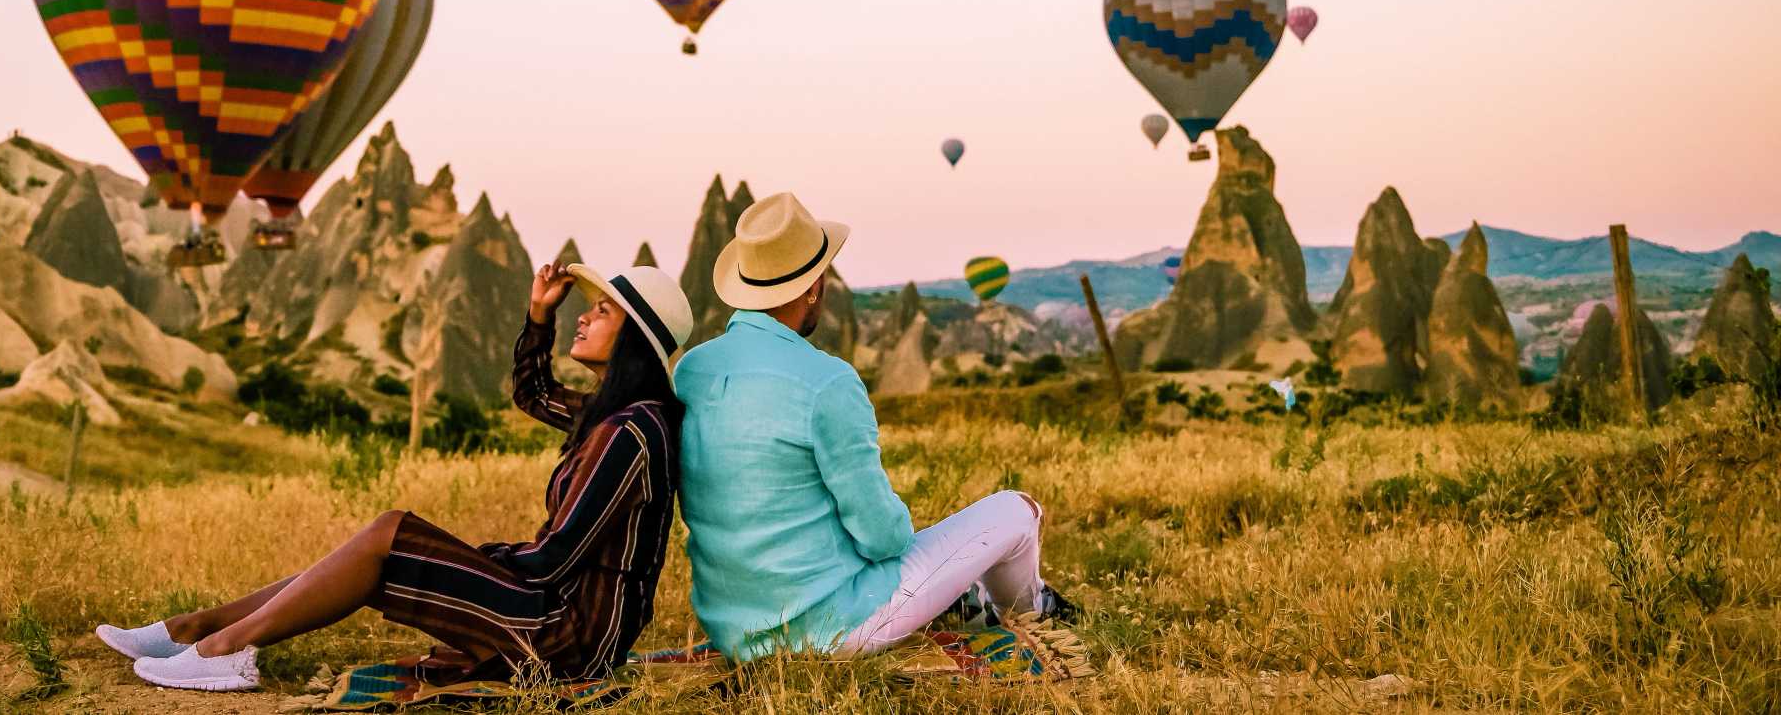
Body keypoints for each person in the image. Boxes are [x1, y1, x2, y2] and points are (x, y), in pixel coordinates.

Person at [94, 260, 692, 692]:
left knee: (390, 534)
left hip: (569, 635)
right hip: (552, 609)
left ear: (635, 340)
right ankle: (193, 629)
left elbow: (554, 559)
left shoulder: (630, 434)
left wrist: (468, 558)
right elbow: (532, 391)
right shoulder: (606, 415)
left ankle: (224, 648)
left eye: (602, 311)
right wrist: (540, 315)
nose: (584, 317)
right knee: (382, 545)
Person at [673, 192, 1075, 663]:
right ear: (813, 287)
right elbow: (884, 538)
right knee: (1017, 509)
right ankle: (1033, 614)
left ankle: (972, 603)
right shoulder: (827, 381)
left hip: (733, 627)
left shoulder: (692, 370)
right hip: (833, 628)